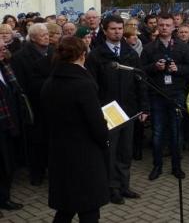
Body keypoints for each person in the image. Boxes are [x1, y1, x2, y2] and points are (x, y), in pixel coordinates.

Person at [41, 36, 109, 223]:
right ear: (82, 55)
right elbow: (96, 124)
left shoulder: (49, 82)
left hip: (59, 151)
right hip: (85, 154)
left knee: (66, 207)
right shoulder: (83, 84)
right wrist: (105, 139)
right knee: (89, 208)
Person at [85, 15, 148, 205]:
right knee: (111, 151)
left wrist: (144, 107)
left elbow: (141, 82)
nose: (117, 32)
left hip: (128, 109)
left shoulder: (130, 53)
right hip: (108, 111)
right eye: (113, 29)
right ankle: (112, 188)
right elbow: (91, 86)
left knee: (125, 150)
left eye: (120, 28)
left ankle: (124, 185)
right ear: (105, 30)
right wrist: (98, 110)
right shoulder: (96, 55)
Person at [141, 13, 189, 181]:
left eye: (168, 25)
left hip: (176, 94)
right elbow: (141, 71)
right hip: (157, 94)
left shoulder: (182, 47)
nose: (164, 28)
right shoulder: (149, 48)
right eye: (161, 25)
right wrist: (154, 67)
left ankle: (176, 166)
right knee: (157, 132)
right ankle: (157, 166)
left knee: (176, 131)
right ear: (157, 26)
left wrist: (178, 69)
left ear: (173, 27)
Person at [10, 22, 53, 186]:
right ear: (33, 38)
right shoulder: (21, 56)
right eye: (43, 35)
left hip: (51, 103)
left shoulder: (53, 51)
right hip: (34, 104)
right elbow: (21, 83)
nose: (46, 37)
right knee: (36, 141)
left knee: (50, 139)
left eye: (47, 34)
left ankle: (51, 168)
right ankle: (36, 173)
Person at [0, 39, 24, 217]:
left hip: (8, 124)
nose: (4, 50)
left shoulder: (5, 67)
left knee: (7, 164)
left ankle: (4, 198)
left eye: (4, 47)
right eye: (0, 48)